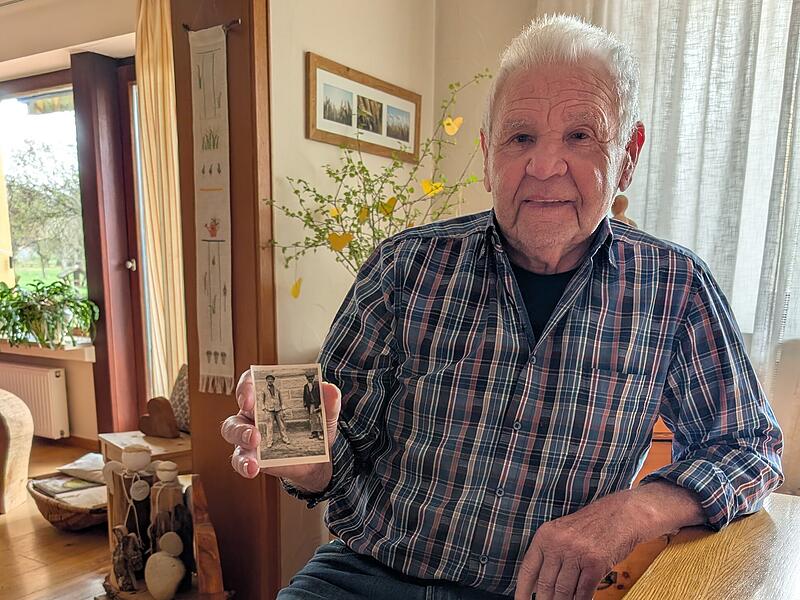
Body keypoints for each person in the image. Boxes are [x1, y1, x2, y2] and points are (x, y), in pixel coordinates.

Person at [222, 14, 783, 600]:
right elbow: (338, 455)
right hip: (363, 575)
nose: (544, 167)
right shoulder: (405, 267)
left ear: (628, 155)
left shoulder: (675, 287)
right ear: (489, 154)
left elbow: (752, 449)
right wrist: (306, 460)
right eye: (520, 138)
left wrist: (632, 512)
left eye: (580, 136)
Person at [258, 374, 290, 448]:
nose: (270, 380)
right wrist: (264, 408)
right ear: (266, 380)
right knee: (270, 427)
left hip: (278, 409)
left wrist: (283, 407)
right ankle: (269, 442)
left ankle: (285, 439)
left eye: (271, 379)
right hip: (269, 410)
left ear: (273, 380)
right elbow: (261, 400)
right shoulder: (264, 390)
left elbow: (281, 398)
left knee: (282, 425)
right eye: (268, 379)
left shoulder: (277, 389)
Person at [303, 373, 323, 439]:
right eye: (308, 378)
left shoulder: (318, 384)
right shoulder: (305, 386)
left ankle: (320, 433)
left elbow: (321, 394)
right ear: (307, 378)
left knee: (318, 418)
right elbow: (304, 397)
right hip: (310, 405)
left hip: (317, 404)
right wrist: (305, 405)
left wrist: (321, 404)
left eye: (311, 377)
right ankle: (313, 433)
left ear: (314, 377)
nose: (310, 379)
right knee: (312, 419)